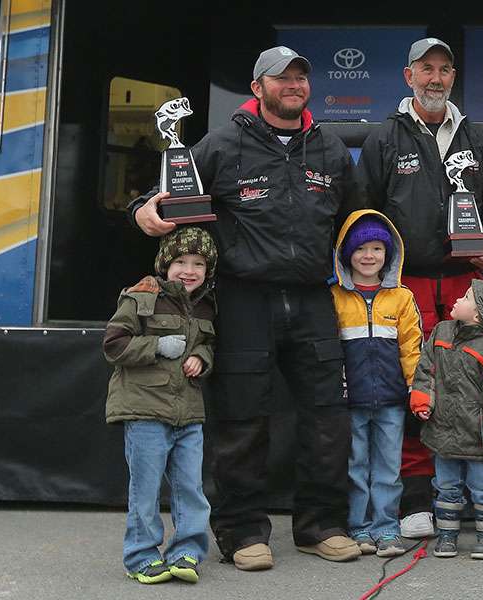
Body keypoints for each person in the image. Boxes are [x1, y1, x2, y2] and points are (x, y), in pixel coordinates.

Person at [128, 45, 363, 569]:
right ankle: (241, 531)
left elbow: (358, 218)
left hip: (311, 297)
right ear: (258, 88)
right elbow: (170, 190)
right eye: (283, 78)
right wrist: (143, 209)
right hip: (242, 299)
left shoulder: (329, 146)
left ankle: (321, 524)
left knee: (328, 416)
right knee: (242, 418)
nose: (295, 85)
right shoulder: (224, 142)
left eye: (302, 77)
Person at [357, 37, 483, 543]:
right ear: (408, 76)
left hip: (466, 284)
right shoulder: (383, 140)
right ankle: (419, 501)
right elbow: (362, 214)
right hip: (405, 286)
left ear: (453, 78)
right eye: (426, 69)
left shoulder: (476, 139)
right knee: (417, 391)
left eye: (444, 70)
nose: (436, 78)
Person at [103, 226, 218, 584]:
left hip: (189, 412)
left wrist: (201, 357)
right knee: (146, 489)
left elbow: (209, 344)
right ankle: (140, 556)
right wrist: (155, 346)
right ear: (164, 264)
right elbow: (113, 344)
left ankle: (187, 552)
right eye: (181, 261)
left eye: (198, 263)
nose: (189, 270)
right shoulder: (140, 297)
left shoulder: (207, 304)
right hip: (144, 412)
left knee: (190, 488)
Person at [330, 209, 423, 557]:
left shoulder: (401, 297)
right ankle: (359, 528)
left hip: (391, 400)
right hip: (350, 399)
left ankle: (386, 529)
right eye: (360, 249)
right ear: (345, 254)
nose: (369, 256)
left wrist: (417, 387)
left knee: (388, 468)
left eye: (377, 249)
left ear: (389, 254)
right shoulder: (335, 297)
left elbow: (412, 347)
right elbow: (330, 351)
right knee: (355, 466)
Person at [410, 279, 483, 559]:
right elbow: (426, 370)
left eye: (466, 297)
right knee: (446, 486)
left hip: (479, 438)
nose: (457, 299)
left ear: (479, 314)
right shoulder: (441, 332)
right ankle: (447, 535)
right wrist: (423, 400)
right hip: (443, 432)